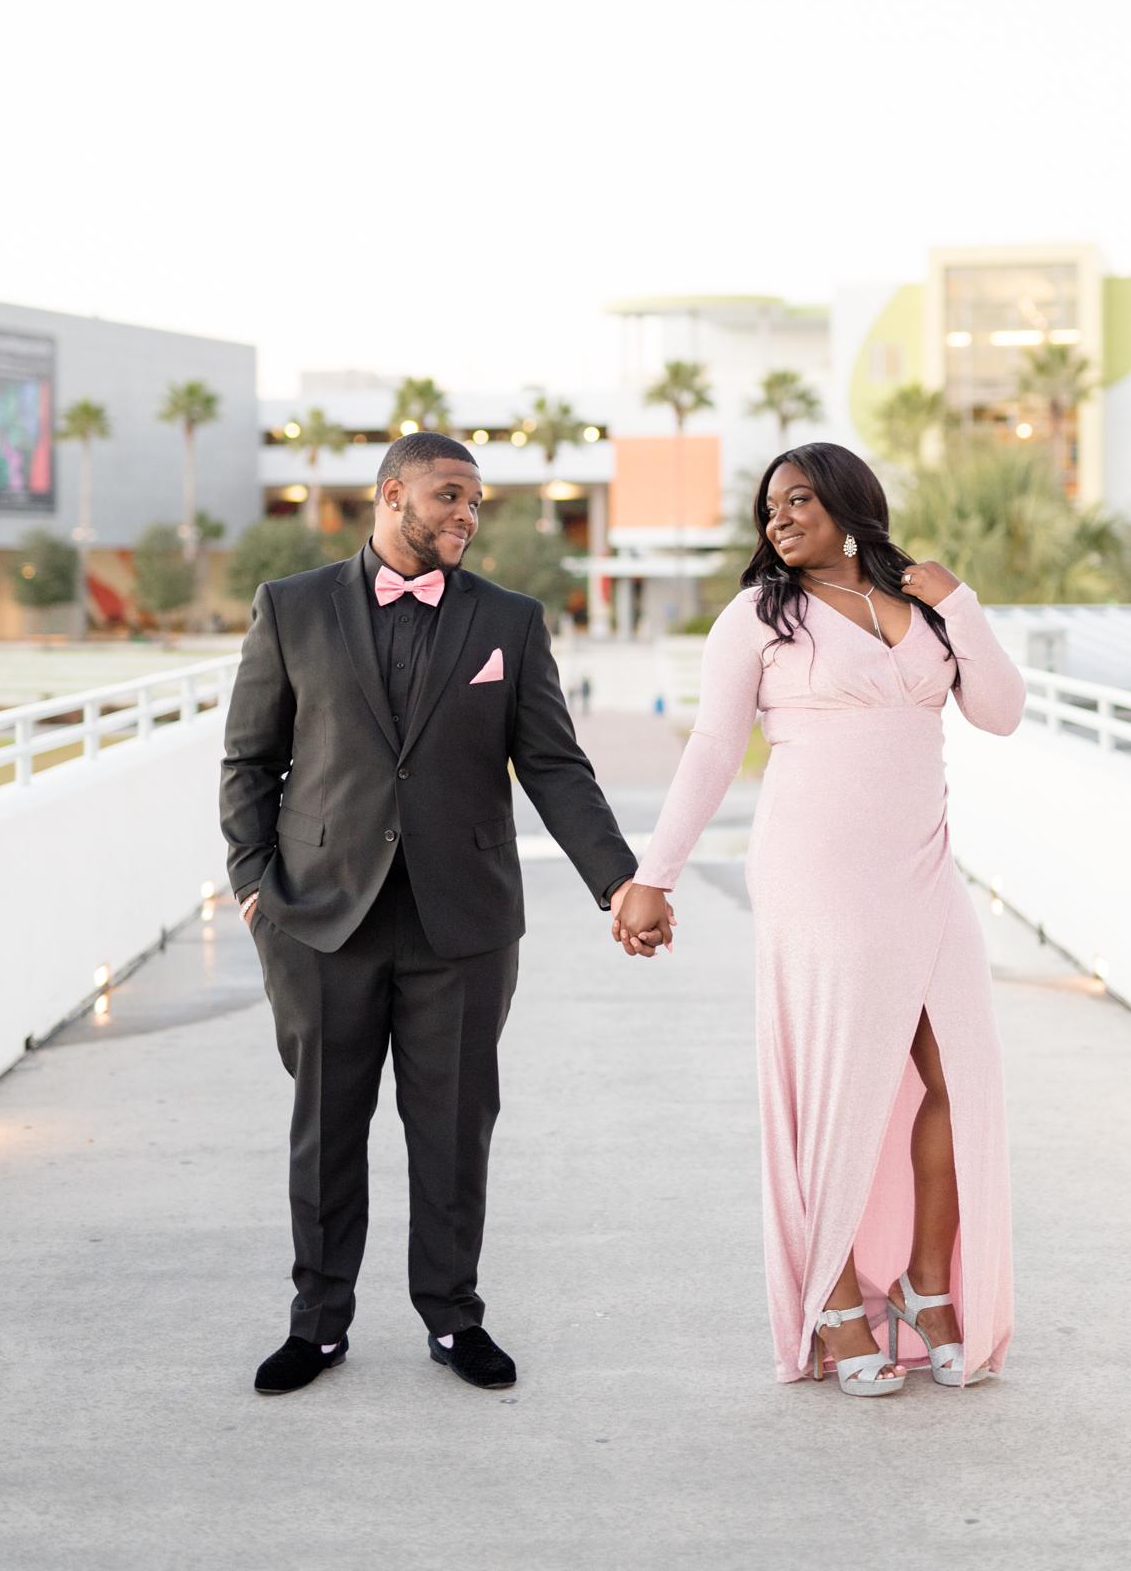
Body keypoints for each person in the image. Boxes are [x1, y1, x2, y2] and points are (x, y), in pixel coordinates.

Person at [221, 432, 662, 1396]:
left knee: (454, 1128)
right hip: (320, 916)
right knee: (325, 1127)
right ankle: (318, 1324)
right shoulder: (291, 608)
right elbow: (250, 761)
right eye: (450, 495)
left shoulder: (509, 619)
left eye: (476, 501)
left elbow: (551, 763)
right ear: (391, 495)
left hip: (460, 923)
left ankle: (455, 1319)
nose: (467, 513)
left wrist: (619, 880)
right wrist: (256, 887)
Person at [610, 443, 1025, 1394]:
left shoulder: (924, 604)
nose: (779, 518)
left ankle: (927, 1286)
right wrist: (654, 874)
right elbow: (715, 748)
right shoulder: (757, 616)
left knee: (957, 1072)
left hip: (923, 870)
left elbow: (998, 713)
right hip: (815, 873)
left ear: (849, 503)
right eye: (769, 507)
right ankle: (834, 1295)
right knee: (833, 1086)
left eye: (798, 499)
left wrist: (960, 606)